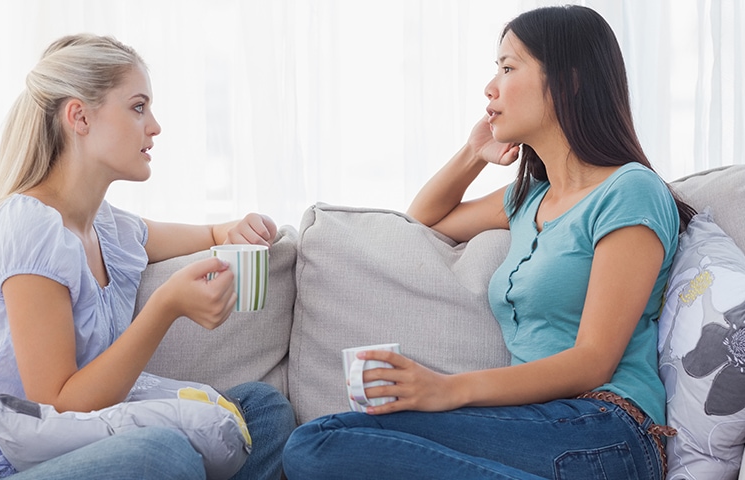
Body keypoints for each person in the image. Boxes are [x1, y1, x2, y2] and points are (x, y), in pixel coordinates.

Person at [282, 5, 694, 480]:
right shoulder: (527, 199)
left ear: (569, 81)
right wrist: (473, 153)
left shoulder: (629, 190)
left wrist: (447, 389)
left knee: (319, 446)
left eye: (508, 67)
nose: (490, 86)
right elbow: (424, 220)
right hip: (537, 423)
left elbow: (592, 361)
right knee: (318, 441)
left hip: (607, 429)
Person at [0, 34, 295, 480]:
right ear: (80, 117)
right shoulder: (27, 227)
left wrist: (236, 230)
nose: (155, 126)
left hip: (66, 454)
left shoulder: (108, 228)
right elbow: (59, 403)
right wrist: (166, 306)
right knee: (162, 454)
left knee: (260, 409)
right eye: (138, 106)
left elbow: (207, 233)